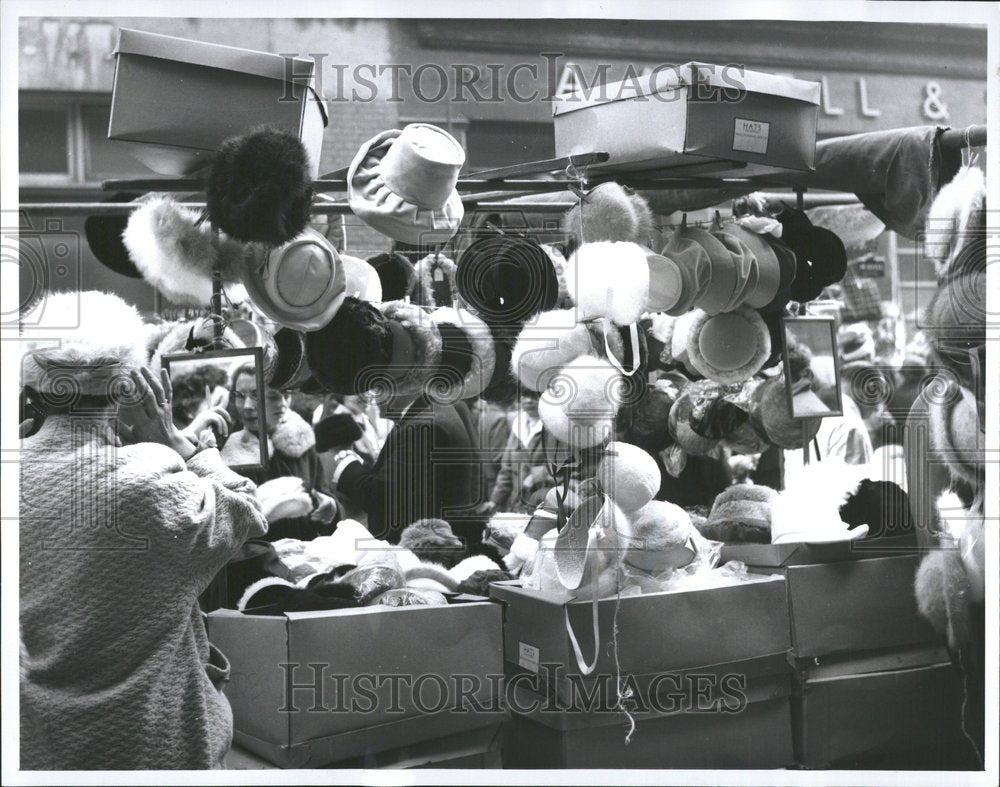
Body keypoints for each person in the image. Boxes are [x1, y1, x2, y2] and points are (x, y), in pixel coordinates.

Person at [19, 291, 267, 769]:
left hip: (38, 746)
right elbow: (246, 509)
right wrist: (178, 444)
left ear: (32, 388)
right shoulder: (148, 481)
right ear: (129, 389)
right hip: (153, 746)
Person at [221, 363, 339, 542]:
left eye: (257, 395)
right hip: (259, 564)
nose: (247, 406)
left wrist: (331, 507)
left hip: (306, 557)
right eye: (239, 396)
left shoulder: (303, 441)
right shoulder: (227, 453)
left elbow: (321, 492)